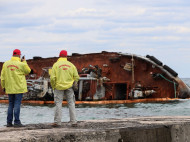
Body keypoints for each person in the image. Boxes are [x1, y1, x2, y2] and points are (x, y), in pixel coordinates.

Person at [1, 49, 31, 127]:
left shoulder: (6, 64)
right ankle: (17, 122)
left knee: (11, 104)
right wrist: (24, 61)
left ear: (12, 55)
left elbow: (2, 77)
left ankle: (9, 122)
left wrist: (3, 86)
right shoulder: (21, 64)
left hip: (9, 88)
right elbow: (28, 71)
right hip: (19, 88)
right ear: (19, 55)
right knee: (17, 104)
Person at [50, 50, 79, 127]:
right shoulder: (71, 65)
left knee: (58, 104)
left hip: (58, 87)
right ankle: (74, 121)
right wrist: (74, 84)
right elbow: (76, 76)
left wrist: (54, 86)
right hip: (69, 87)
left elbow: (52, 78)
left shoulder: (56, 65)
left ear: (59, 56)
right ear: (66, 56)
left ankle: (57, 122)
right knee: (71, 103)